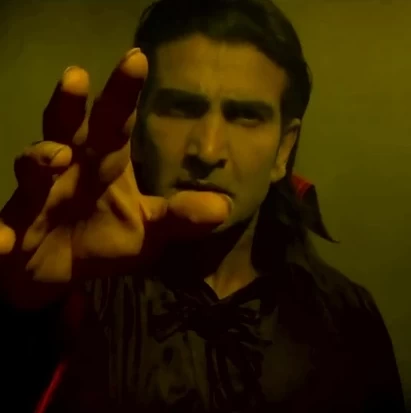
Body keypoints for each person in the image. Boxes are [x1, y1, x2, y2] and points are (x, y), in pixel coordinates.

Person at [0, 0, 406, 412]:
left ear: (284, 149)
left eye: (245, 116)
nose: (208, 150)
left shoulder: (345, 320)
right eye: (181, 108)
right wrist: (18, 302)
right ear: (137, 128)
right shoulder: (76, 287)